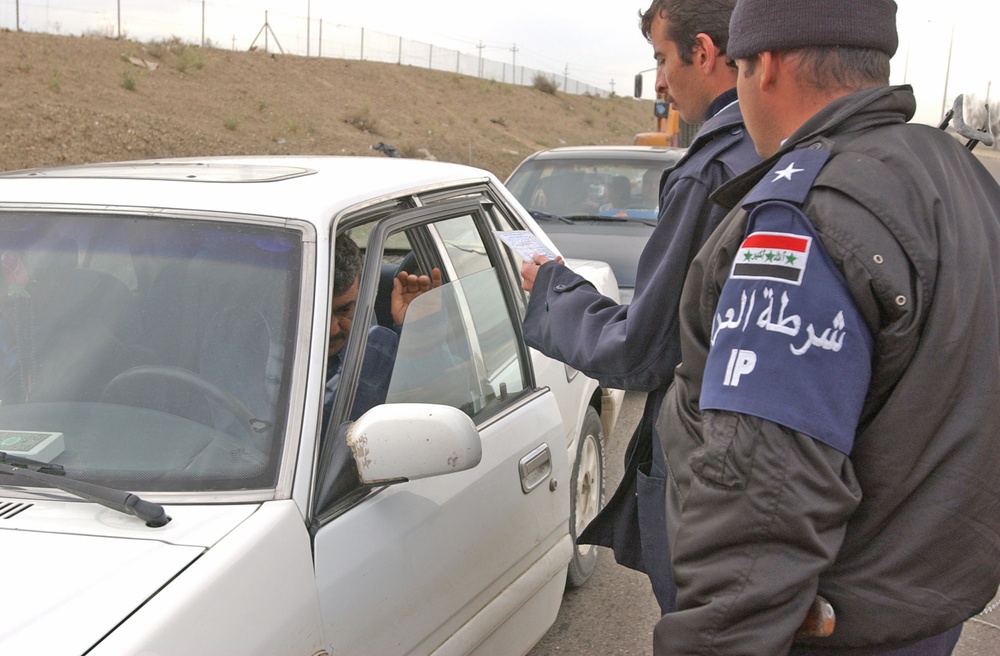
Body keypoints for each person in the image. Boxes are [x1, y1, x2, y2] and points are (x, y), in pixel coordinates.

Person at [652, 0, 1000, 653]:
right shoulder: (959, 179)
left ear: (770, 65)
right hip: (926, 614)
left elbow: (759, 514)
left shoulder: (803, 219)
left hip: (823, 628)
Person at [519, 0, 759, 613]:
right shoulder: (791, 151)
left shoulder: (711, 173)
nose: (656, 81)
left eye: (660, 58)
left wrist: (553, 289)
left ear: (703, 53)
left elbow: (641, 351)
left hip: (711, 485)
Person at [323, 235, 440, 426]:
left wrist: (420, 332)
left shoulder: (379, 350)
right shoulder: (260, 343)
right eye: (319, 311)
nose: (331, 329)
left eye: (344, 310)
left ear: (363, 293)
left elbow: (442, 394)